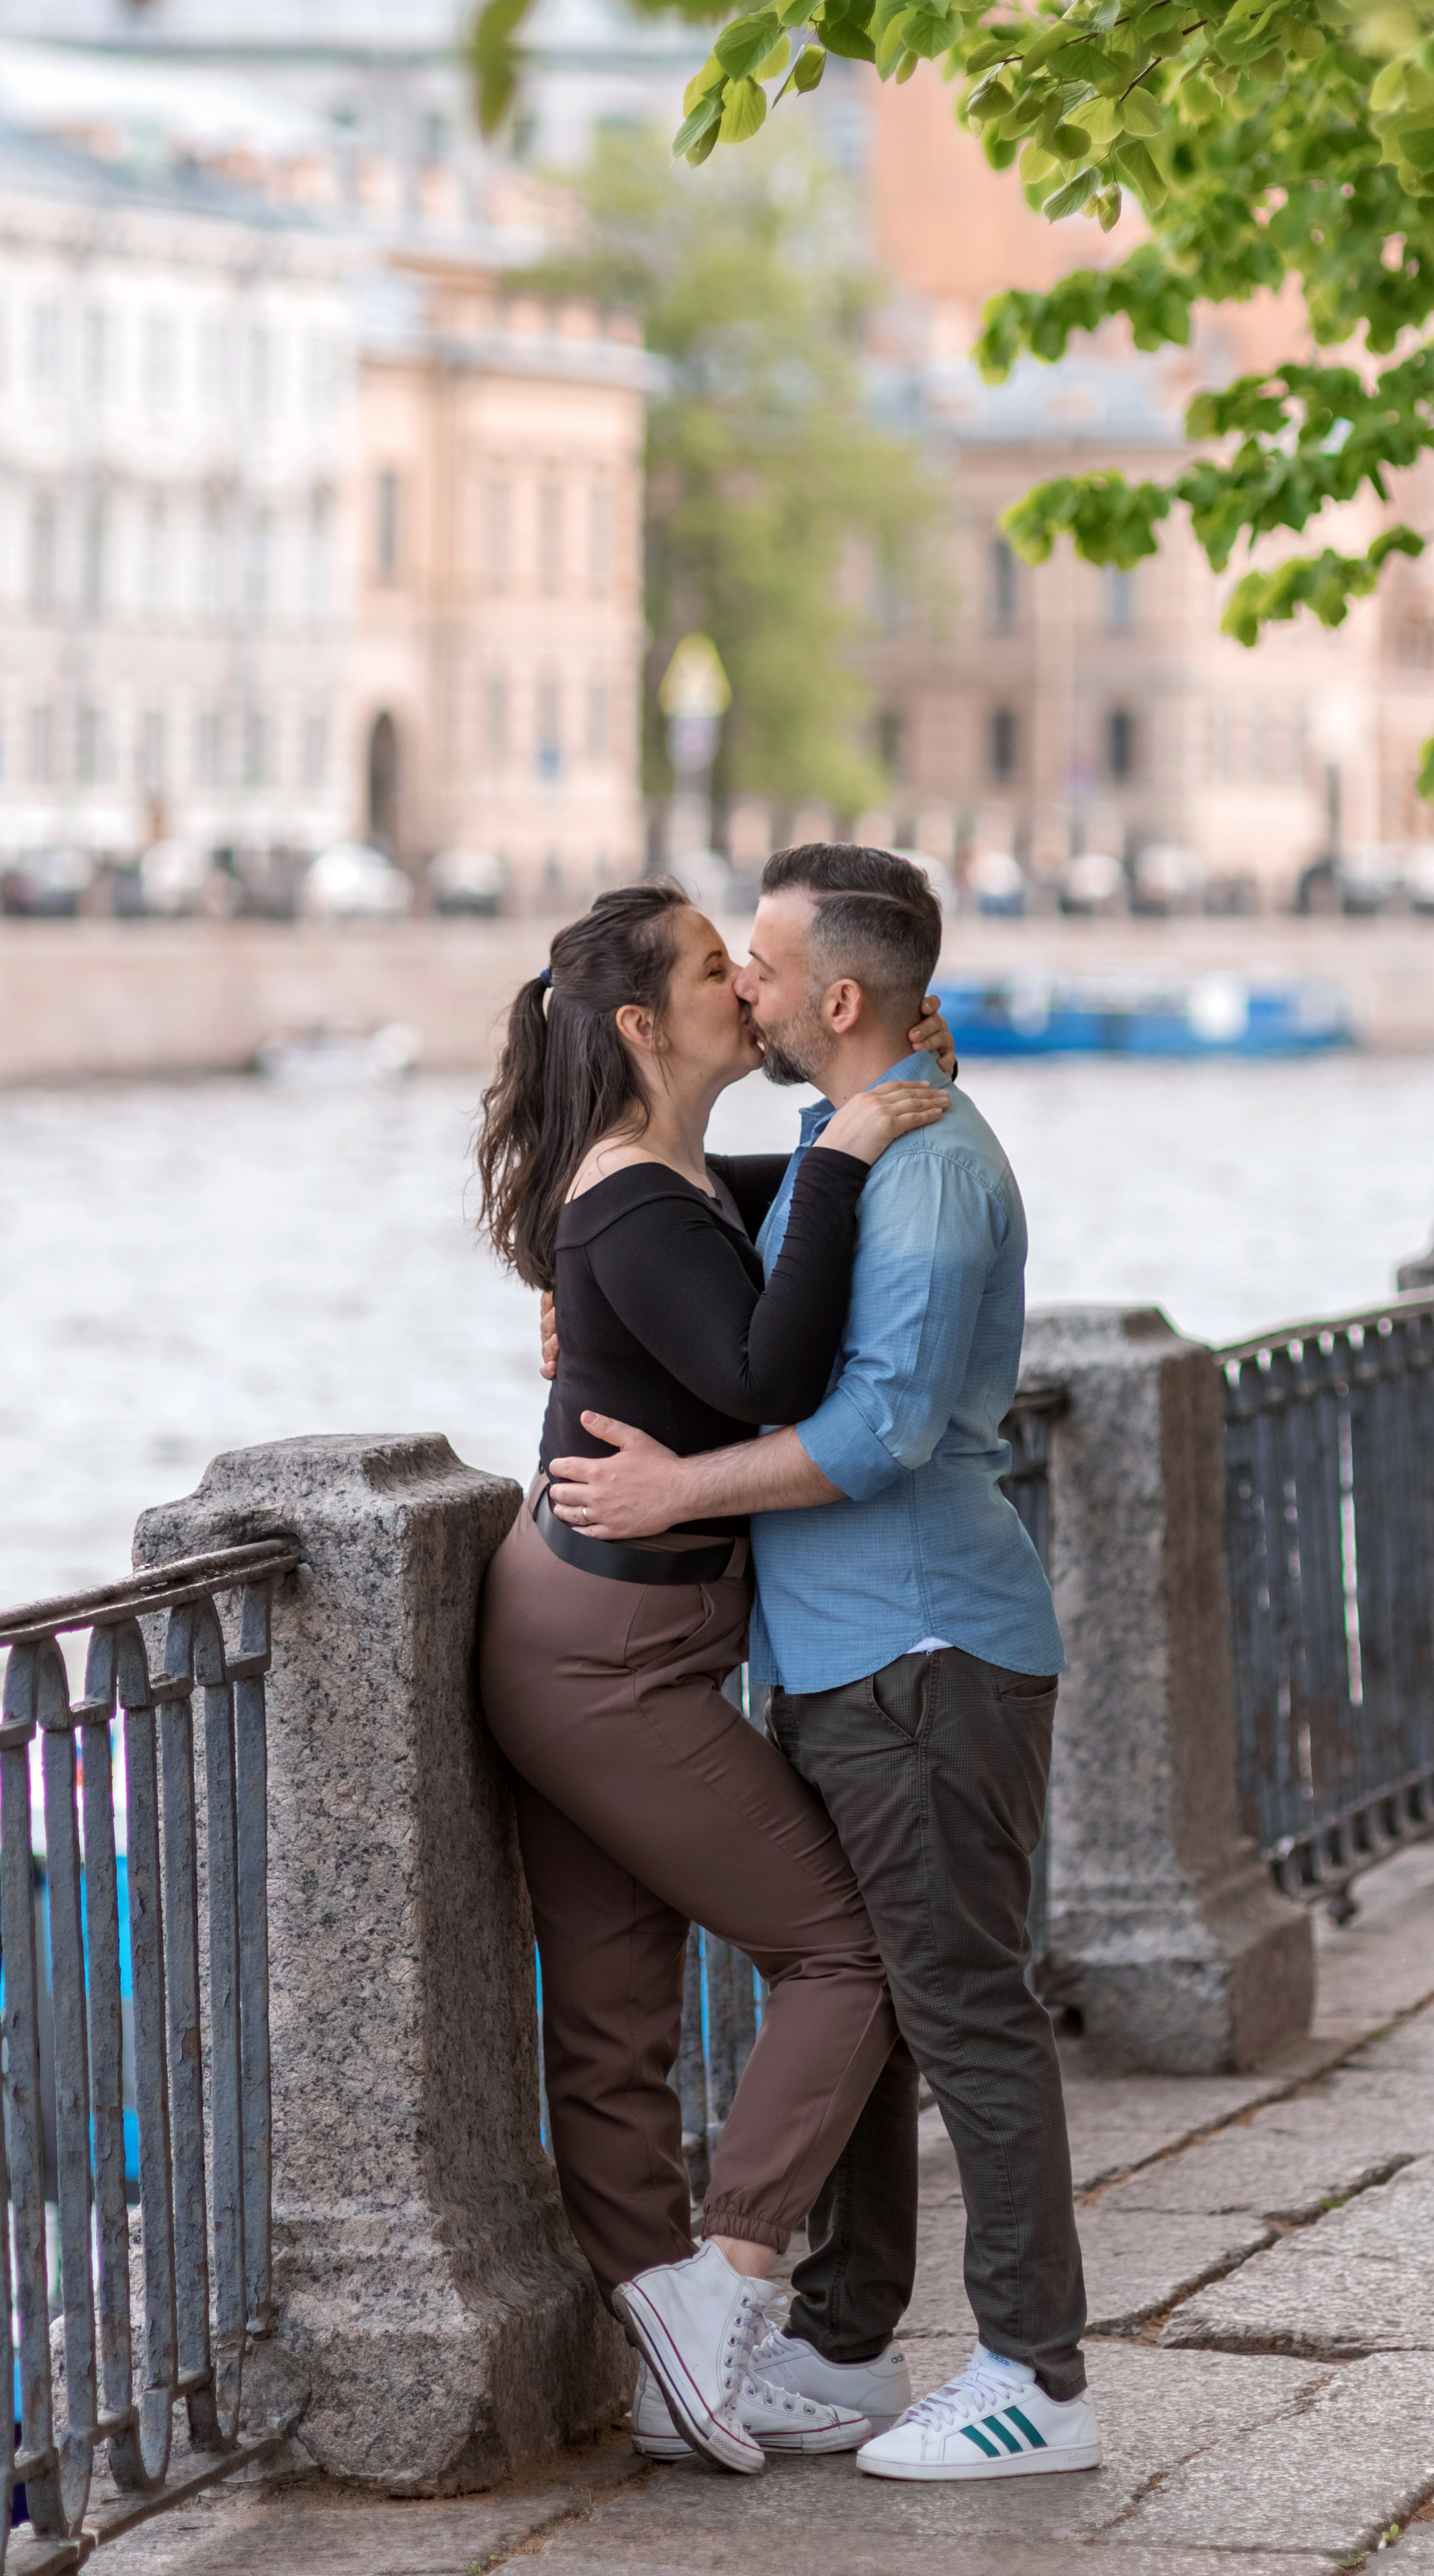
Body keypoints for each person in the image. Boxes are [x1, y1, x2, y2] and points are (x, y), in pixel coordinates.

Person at [544, 844, 1102, 2483]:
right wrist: (580, 1297)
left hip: (923, 1648)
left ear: (838, 1000)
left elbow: (877, 1432)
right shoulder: (849, 1137)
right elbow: (709, 1250)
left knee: (964, 2008)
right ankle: (846, 2346)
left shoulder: (921, 1171)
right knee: (879, 2005)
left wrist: (673, 1493)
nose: (745, 986)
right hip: (850, 1655)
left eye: (765, 967)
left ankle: (1036, 2381)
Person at [474, 879, 956, 2479]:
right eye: (709, 970)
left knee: (614, 2014)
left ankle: (679, 2370)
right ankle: (726, 2282)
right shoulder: (628, 1200)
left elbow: (764, 1227)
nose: (743, 989)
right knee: (849, 1951)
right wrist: (854, 1145)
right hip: (602, 1656)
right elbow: (770, 1367)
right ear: (640, 1025)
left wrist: (857, 1122)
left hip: (612, 1634)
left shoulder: (669, 1179)